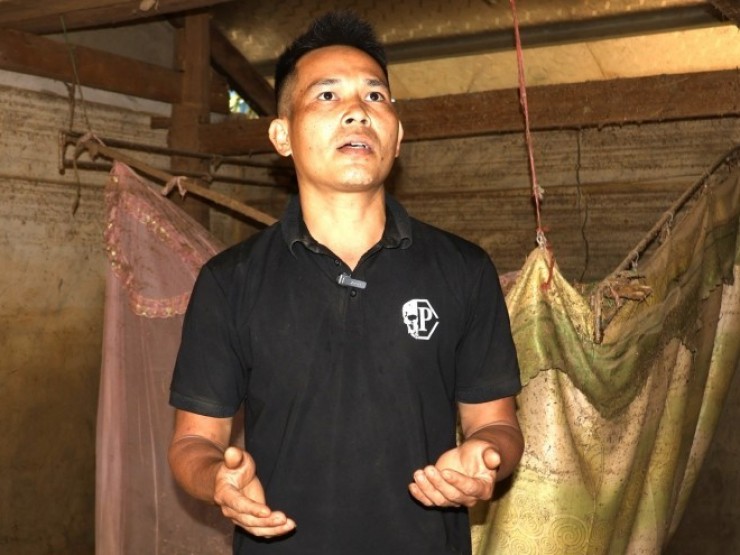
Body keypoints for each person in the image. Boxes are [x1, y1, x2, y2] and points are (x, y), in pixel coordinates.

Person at [168, 10, 523, 555]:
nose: (358, 110)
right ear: (282, 135)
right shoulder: (230, 282)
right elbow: (194, 440)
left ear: (397, 136)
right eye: (328, 95)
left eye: (375, 96)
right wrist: (217, 478)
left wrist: (488, 457)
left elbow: (497, 425)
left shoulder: (463, 269)